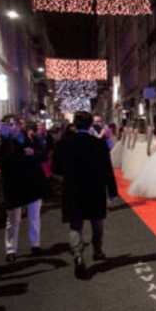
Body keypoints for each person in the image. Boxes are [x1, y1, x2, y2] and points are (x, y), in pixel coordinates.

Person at [52, 111, 119, 279]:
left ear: (74, 123)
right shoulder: (98, 144)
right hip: (94, 188)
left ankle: (78, 254)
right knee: (97, 221)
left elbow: (56, 168)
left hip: (73, 188)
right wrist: (112, 191)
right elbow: (107, 170)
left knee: (75, 224)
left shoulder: (64, 144)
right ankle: (97, 250)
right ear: (90, 124)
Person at [0, 114, 51, 262]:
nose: (12, 127)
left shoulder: (31, 139)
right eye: (8, 124)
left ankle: (35, 244)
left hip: (32, 182)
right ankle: (11, 249)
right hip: (13, 185)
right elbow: (3, 162)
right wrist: (6, 140)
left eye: (14, 124)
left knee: (34, 216)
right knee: (13, 218)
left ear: (21, 126)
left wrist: (33, 154)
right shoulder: (3, 141)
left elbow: (43, 156)